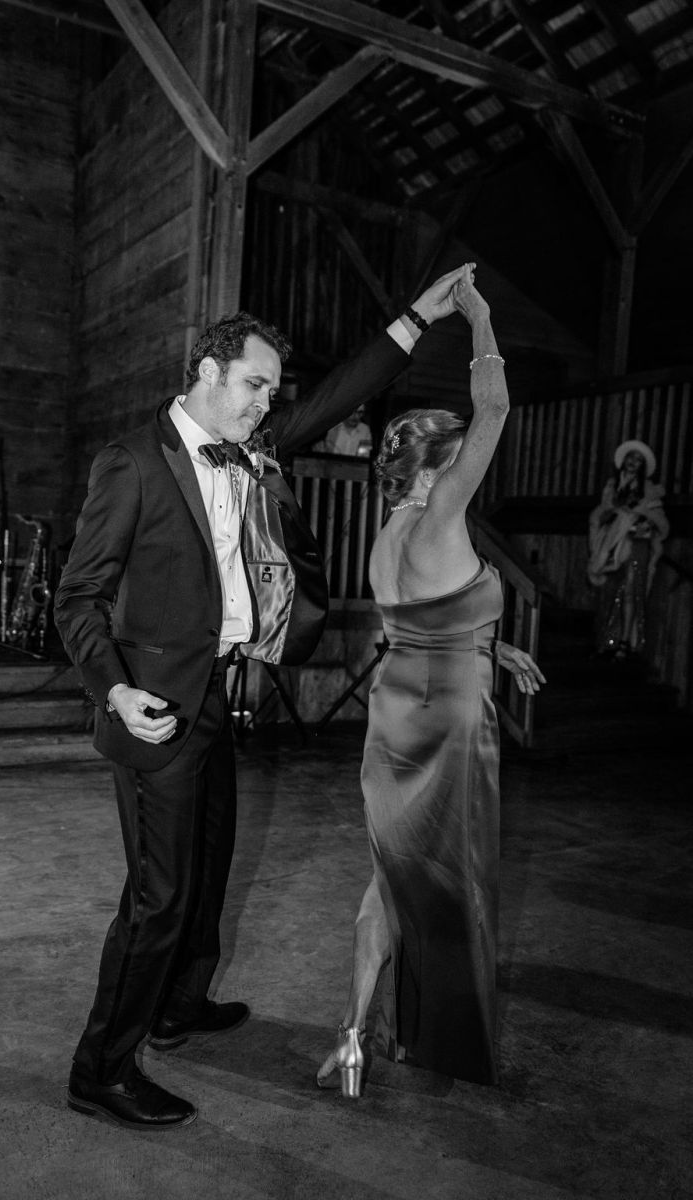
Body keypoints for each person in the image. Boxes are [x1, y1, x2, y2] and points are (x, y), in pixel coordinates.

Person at [53, 263, 473, 1131]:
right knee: (160, 896)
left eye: (271, 391)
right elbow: (77, 598)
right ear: (207, 371)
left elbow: (340, 394)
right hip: (152, 708)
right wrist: (116, 690)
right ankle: (101, 1070)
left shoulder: (252, 445)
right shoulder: (132, 463)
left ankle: (178, 1006)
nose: (264, 403)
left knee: (208, 870)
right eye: (253, 385)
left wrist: (415, 319)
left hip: (216, 691)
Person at [316, 265, 545, 1098]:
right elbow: (496, 410)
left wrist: (493, 649)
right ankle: (439, 1034)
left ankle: (351, 1037)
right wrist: (477, 316)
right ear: (434, 470)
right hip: (447, 722)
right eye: (455, 462)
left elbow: (422, 626)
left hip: (394, 717)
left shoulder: (389, 537)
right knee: (450, 879)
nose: (466, 472)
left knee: (389, 877)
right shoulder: (444, 512)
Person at [587, 440, 669, 658]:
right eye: (631, 457)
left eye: (638, 460)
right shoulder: (612, 487)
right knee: (608, 590)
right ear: (624, 460)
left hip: (636, 545)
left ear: (643, 466)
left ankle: (624, 642)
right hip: (611, 546)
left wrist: (643, 517)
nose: (633, 462)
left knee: (631, 591)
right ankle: (606, 639)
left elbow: (661, 523)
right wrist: (614, 515)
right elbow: (599, 516)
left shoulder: (649, 491)